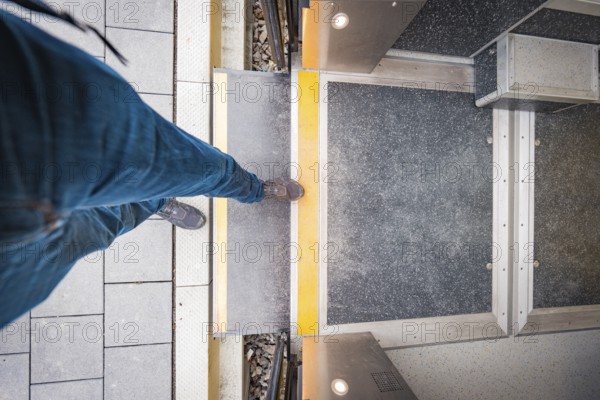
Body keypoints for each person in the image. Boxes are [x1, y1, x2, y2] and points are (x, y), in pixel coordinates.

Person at [0, 3, 303, 328]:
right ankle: (154, 198)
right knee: (102, 227)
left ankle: (252, 189)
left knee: (195, 167)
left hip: (28, 121)